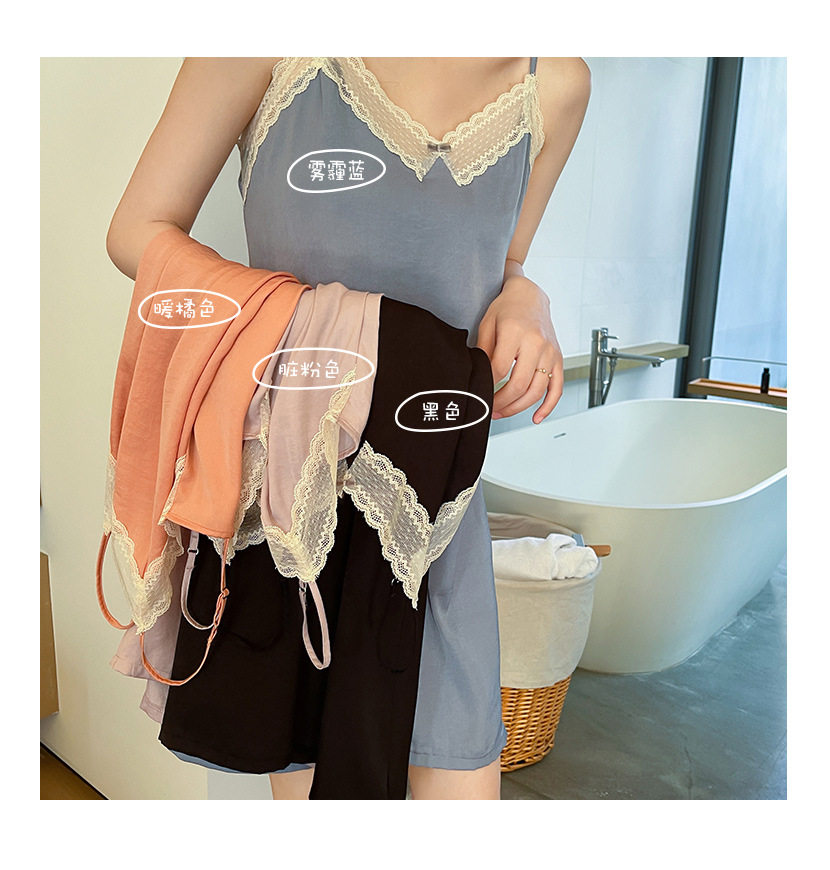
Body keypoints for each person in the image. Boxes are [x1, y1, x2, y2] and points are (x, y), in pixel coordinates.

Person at [106, 56, 591, 800]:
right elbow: (136, 232)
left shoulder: (553, 82)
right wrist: (367, 333)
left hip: (435, 510)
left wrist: (527, 297)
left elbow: (507, 258)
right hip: (299, 506)